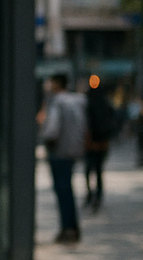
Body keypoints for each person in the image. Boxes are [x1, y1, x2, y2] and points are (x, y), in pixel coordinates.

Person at [38, 74, 87, 241]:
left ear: (57, 84)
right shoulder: (77, 101)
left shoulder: (56, 102)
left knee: (62, 191)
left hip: (59, 152)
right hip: (73, 150)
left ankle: (67, 229)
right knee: (68, 190)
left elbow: (52, 130)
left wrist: (44, 135)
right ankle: (72, 227)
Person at [83, 78, 116, 212]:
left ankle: (91, 194)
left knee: (89, 169)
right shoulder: (105, 103)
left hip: (91, 142)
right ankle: (97, 195)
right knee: (98, 170)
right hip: (101, 142)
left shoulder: (88, 102)